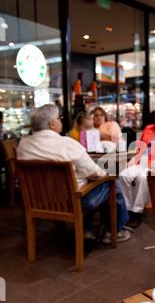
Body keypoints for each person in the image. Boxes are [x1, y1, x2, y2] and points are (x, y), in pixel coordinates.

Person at [17, 104, 130, 244]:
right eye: (59, 118)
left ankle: (87, 230)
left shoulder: (23, 144)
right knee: (112, 183)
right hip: (72, 201)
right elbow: (95, 174)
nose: (61, 120)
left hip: (41, 201)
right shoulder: (67, 144)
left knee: (83, 181)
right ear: (52, 124)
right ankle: (114, 231)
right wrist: (105, 173)